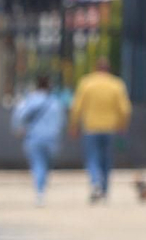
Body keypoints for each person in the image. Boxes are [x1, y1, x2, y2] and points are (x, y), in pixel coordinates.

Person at [69, 57, 131, 203]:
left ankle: (95, 182)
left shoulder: (87, 83)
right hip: (110, 127)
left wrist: (74, 124)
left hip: (91, 127)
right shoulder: (116, 84)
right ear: (109, 69)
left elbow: (77, 106)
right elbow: (125, 109)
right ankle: (104, 189)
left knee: (92, 158)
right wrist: (122, 124)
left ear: (95, 68)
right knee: (106, 160)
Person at [10, 74, 66, 205]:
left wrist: (18, 128)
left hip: (34, 138)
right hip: (51, 139)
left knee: (37, 164)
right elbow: (61, 121)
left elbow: (19, 115)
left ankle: (39, 191)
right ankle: (41, 187)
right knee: (46, 165)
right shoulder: (55, 102)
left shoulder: (30, 100)